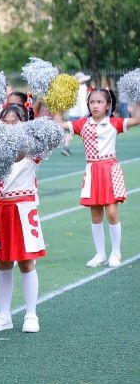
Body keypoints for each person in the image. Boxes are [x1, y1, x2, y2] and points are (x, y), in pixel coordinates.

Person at [55, 87, 140, 268]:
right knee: (95, 215)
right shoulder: (82, 124)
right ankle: (100, 254)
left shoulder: (114, 123)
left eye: (99, 102)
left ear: (108, 105)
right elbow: (58, 124)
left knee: (112, 212)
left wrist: (138, 96)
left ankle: (116, 253)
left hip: (109, 169)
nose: (95, 105)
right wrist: (57, 102)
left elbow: (137, 119)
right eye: (92, 102)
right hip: (92, 170)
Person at [0, 104, 46, 334]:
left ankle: (31, 314)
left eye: (16, 121)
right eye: (6, 122)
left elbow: (51, 136)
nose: (11, 126)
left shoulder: (33, 148)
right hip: (0, 208)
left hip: (23, 208)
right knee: (2, 262)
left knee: (26, 262)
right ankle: (4, 315)